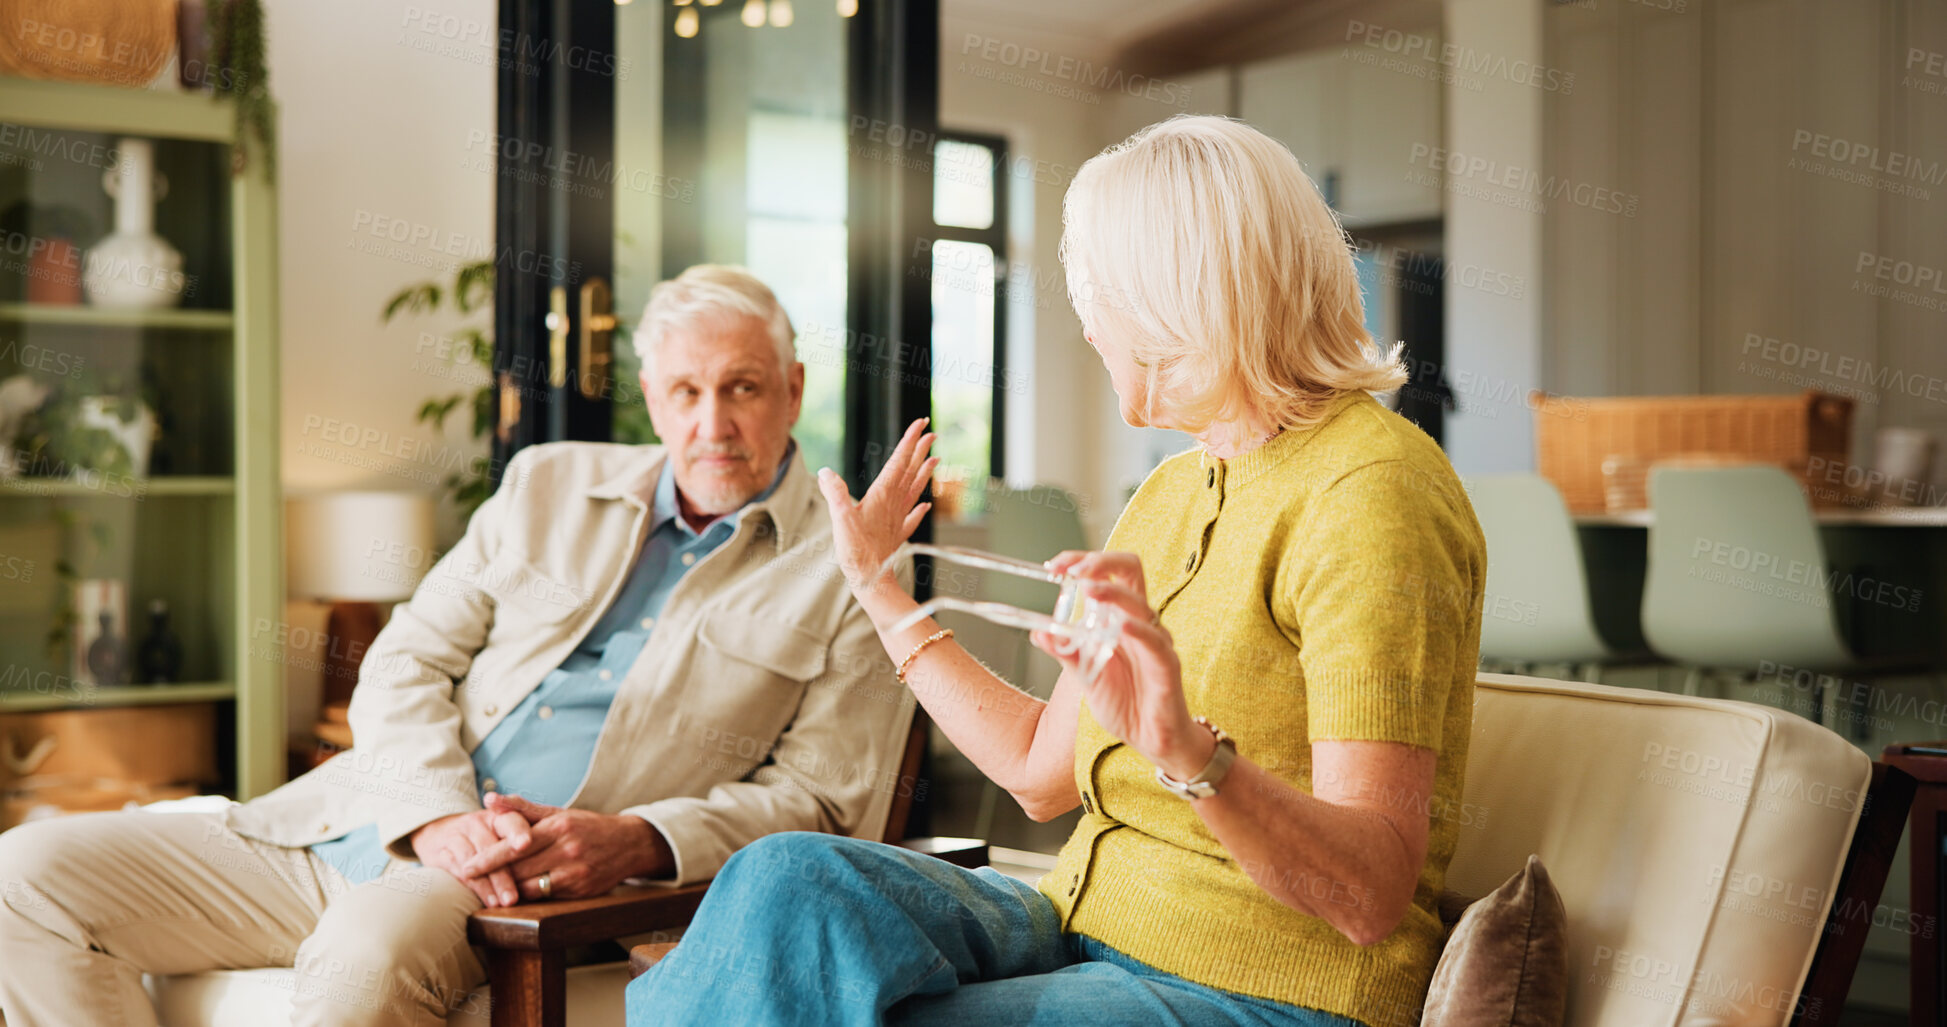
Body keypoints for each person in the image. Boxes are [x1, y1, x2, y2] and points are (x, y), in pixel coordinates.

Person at [628, 116, 1487, 1027]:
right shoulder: (1173, 486)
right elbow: (1042, 774)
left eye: (1096, 292)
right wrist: (881, 591)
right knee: (786, 874)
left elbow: (1369, 891)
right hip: (1082, 922)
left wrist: (1188, 755)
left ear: (1175, 301)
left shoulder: (1373, 493)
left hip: (1265, 988)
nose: (1084, 318)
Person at [0, 266, 914, 1027]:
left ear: (793, 387)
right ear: (652, 398)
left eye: (742, 387)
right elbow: (406, 658)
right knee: (24, 877)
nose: (712, 423)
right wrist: (434, 812)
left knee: (363, 964)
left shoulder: (853, 569)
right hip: (359, 818)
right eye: (686, 391)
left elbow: (827, 807)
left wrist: (637, 838)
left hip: (515, 876)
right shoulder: (547, 484)